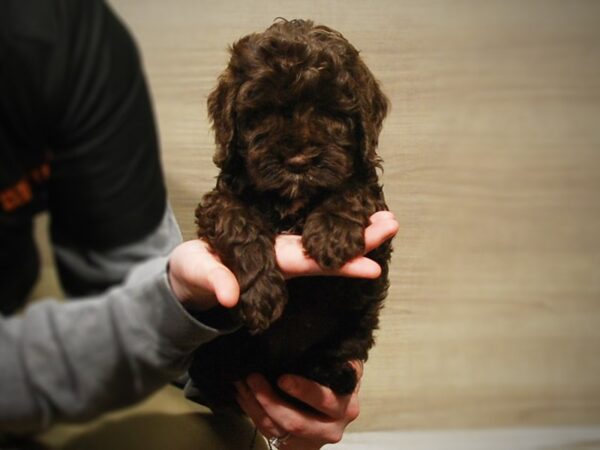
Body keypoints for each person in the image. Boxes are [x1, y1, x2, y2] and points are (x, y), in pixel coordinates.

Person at [0, 1, 399, 448]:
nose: (300, 148)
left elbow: (136, 291)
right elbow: (223, 213)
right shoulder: (238, 189)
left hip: (288, 350)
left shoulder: (68, 45)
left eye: (328, 119)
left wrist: (341, 354)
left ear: (363, 125)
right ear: (232, 126)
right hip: (218, 360)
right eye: (265, 118)